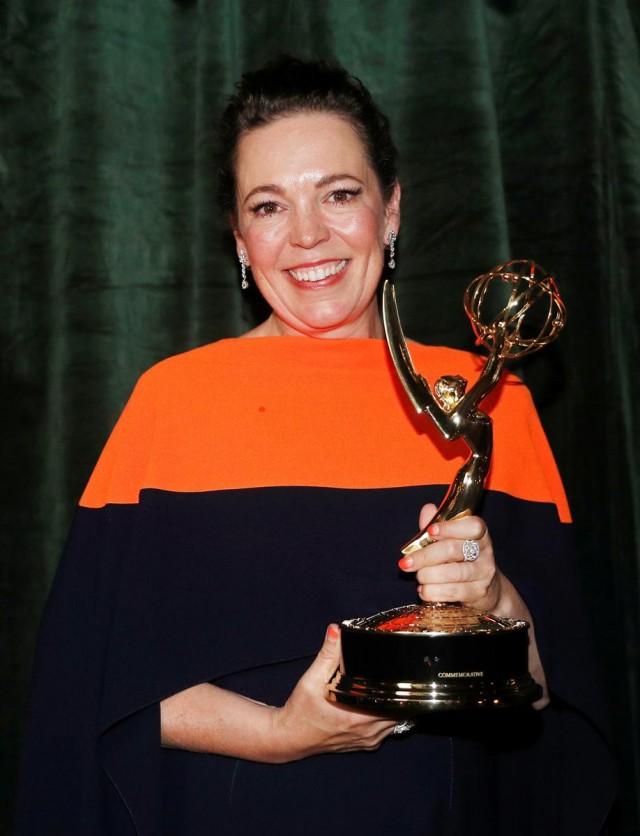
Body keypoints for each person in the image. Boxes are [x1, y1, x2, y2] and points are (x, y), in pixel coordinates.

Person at [16, 56, 614, 835]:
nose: (307, 235)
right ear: (238, 237)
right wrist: (279, 737)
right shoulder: (172, 401)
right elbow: (86, 690)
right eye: (269, 206)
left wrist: (494, 600)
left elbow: (549, 699)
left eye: (339, 194)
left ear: (391, 211)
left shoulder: (486, 399)